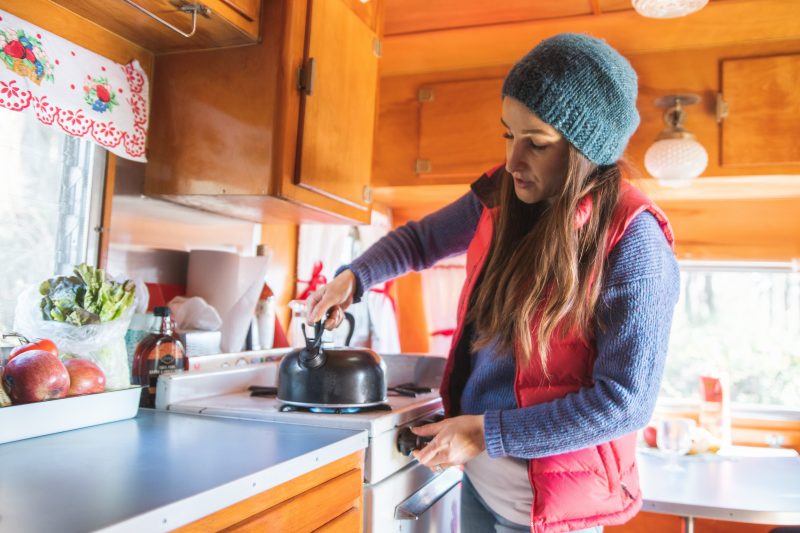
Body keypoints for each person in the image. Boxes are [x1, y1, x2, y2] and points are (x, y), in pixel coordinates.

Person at [307, 33, 680, 533]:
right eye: (509, 135)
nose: (512, 161)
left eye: (537, 143)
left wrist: (487, 433)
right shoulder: (503, 195)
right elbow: (420, 241)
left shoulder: (634, 239)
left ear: (585, 153)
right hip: (481, 479)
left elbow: (624, 402)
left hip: (549, 505)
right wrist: (353, 278)